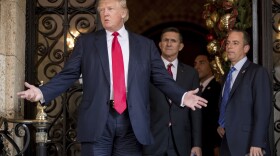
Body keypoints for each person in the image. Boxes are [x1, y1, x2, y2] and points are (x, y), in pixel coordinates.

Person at [17, 0, 207, 155]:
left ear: (123, 12)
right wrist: (42, 92)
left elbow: (160, 77)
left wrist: (182, 96)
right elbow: (69, 74)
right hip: (98, 119)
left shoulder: (144, 45)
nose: (104, 13)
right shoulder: (86, 43)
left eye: (110, 9)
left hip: (132, 122)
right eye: (101, 10)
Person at [143, 27, 202, 156]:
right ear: (159, 44)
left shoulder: (191, 73)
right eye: (166, 40)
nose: (169, 44)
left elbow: (196, 112)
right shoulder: (146, 70)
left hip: (180, 140)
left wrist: (197, 144)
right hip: (153, 138)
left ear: (180, 46)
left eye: (173, 41)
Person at [216, 29, 271, 156]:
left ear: (246, 48)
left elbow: (262, 110)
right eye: (228, 43)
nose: (229, 47)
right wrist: (221, 123)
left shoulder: (257, 72)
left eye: (235, 43)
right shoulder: (226, 76)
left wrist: (257, 142)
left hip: (248, 144)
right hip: (226, 142)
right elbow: (227, 104)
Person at [194, 54, 221, 156]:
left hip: (212, 146)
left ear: (211, 65)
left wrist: (216, 145)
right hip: (197, 145)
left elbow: (217, 118)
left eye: (202, 63)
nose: (197, 67)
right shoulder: (194, 88)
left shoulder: (218, 87)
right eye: (195, 64)